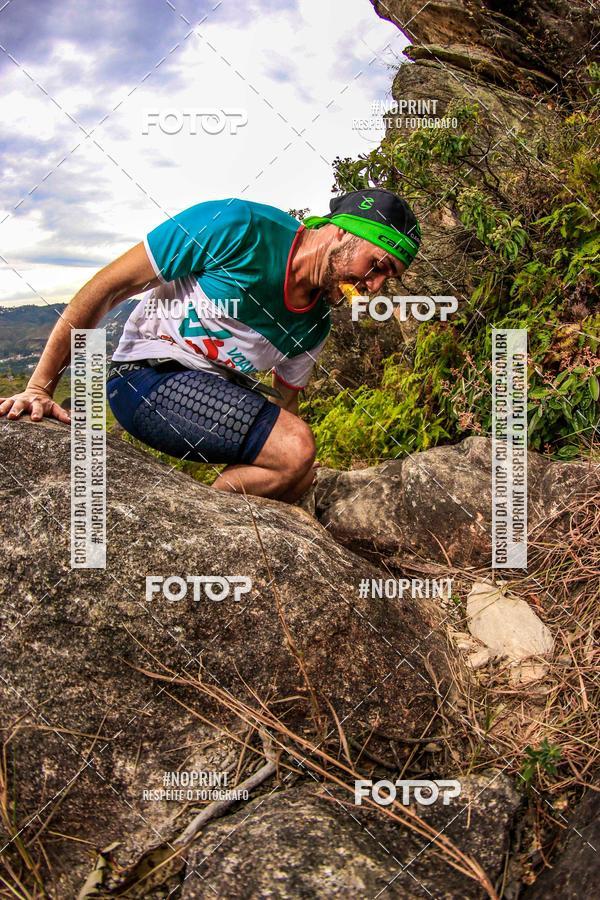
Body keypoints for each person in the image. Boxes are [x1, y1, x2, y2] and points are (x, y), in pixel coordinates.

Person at [0, 189, 420, 501]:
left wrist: (283, 465)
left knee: (299, 472)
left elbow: (285, 404)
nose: (374, 286)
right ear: (344, 233)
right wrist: (40, 387)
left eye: (388, 278)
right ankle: (199, 527)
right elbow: (108, 288)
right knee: (295, 449)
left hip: (212, 396)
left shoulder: (314, 327)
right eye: (378, 265)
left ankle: (214, 520)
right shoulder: (236, 225)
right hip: (144, 377)